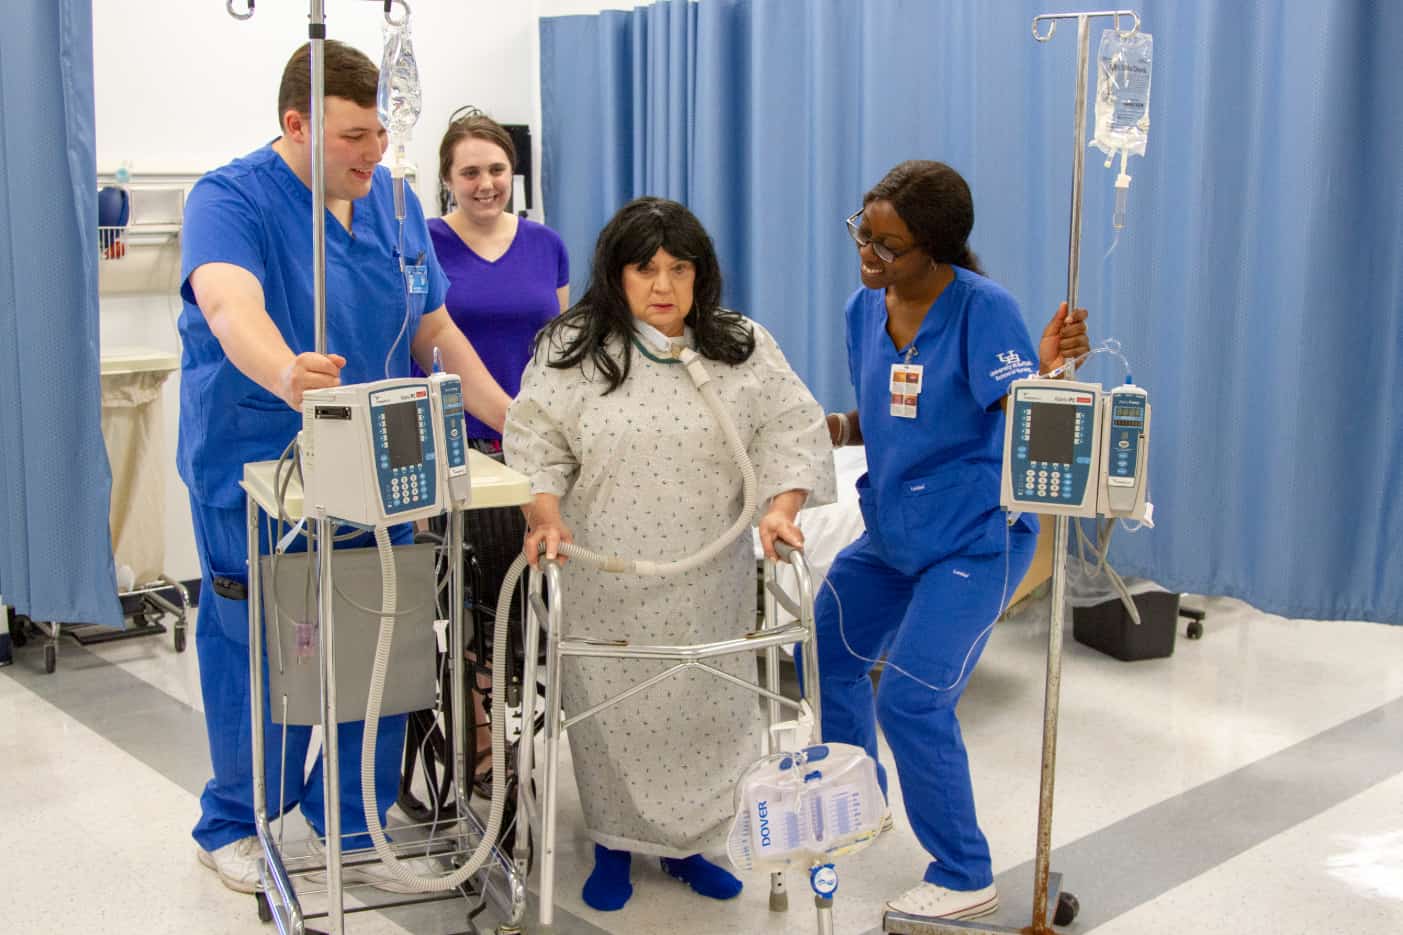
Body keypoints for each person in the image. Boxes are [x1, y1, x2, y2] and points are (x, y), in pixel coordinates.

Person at [178, 40, 512, 894]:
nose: (374, 152)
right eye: (354, 136)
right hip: (261, 458)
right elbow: (228, 303)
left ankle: (353, 817)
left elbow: (433, 327)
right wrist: (285, 372)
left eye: (380, 133)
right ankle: (237, 820)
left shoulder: (395, 203)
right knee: (269, 644)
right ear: (297, 125)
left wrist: (508, 415)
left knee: (384, 630)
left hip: (382, 463)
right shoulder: (230, 199)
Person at [504, 197, 836, 911]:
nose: (663, 286)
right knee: (613, 715)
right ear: (615, 274)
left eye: (679, 269)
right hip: (605, 575)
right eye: (645, 269)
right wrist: (545, 516)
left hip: (709, 577)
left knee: (704, 712)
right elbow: (534, 440)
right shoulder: (574, 350)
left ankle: (691, 846)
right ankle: (613, 847)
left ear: (700, 273)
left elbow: (791, 428)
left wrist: (780, 509)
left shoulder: (739, 346)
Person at [812, 160, 1089, 921]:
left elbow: (1027, 420)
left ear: (933, 248)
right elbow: (890, 411)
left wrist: (1051, 372)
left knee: (911, 701)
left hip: (973, 538)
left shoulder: (981, 309)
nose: (867, 253)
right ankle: (855, 802)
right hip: (893, 531)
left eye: (888, 245)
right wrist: (830, 427)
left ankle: (965, 873)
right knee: (828, 650)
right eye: (862, 232)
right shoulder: (861, 310)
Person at [425, 111, 569, 449]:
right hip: (447, 436)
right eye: (470, 173)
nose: (486, 184)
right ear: (447, 179)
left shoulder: (547, 244)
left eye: (496, 170)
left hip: (532, 434)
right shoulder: (422, 244)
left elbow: (560, 347)